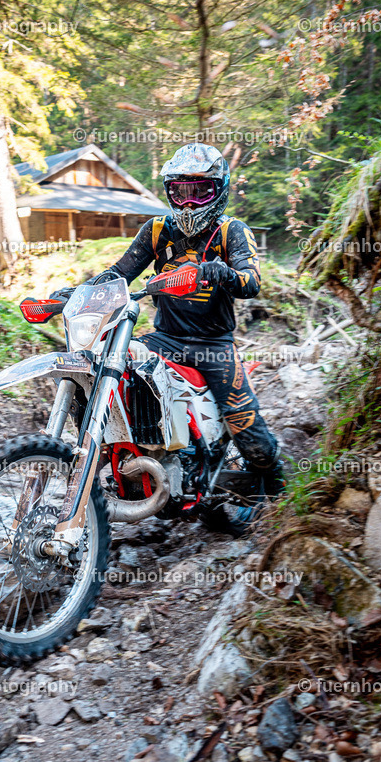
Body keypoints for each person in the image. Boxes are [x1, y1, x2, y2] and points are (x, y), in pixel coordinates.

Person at [54, 142, 283, 496]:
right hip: (164, 339)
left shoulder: (231, 231)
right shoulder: (157, 230)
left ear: (218, 191)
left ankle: (277, 483)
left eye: (199, 191)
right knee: (111, 371)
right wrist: (74, 293)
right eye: (180, 192)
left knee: (245, 425)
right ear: (169, 193)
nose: (189, 202)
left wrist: (218, 271)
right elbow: (119, 274)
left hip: (213, 345)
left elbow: (251, 282)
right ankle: (127, 456)